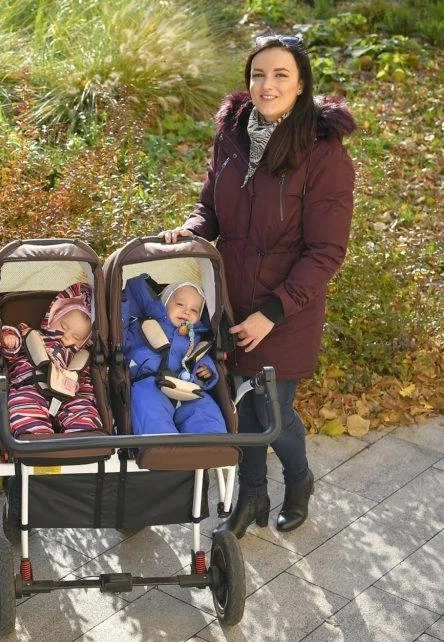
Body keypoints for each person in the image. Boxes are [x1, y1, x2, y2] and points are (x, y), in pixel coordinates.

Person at [160, 35, 355, 538]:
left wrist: (272, 311)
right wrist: (191, 230)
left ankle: (299, 479)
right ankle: (251, 497)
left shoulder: (323, 153)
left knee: (271, 412)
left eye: (280, 75)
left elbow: (326, 251)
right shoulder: (232, 136)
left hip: (286, 308)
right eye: (258, 74)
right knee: (238, 407)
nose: (267, 85)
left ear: (301, 85)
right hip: (231, 298)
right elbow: (210, 207)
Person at [123, 276, 227, 435]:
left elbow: (202, 358)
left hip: (188, 388)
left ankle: (211, 440)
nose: (187, 311)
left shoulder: (196, 339)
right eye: (180, 304)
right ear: (164, 304)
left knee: (205, 407)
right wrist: (122, 308)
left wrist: (206, 371)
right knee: (147, 404)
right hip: (152, 383)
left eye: (194, 310)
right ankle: (162, 441)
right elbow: (122, 338)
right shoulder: (144, 327)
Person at [0, 283, 103, 436]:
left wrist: (87, 398)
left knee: (83, 408)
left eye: (76, 337)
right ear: (52, 317)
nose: (66, 336)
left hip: (66, 395)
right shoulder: (31, 336)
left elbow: (85, 383)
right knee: (24, 406)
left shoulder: (77, 357)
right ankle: (36, 437)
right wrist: (10, 339)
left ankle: (83, 436)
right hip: (29, 386)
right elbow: (10, 351)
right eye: (63, 326)